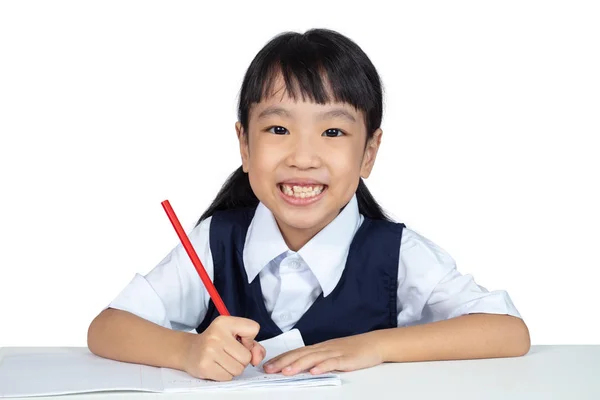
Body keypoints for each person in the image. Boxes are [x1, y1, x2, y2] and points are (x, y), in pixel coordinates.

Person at [87, 28, 530, 382]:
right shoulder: (215, 242)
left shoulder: (396, 255)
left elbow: (508, 332)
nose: (302, 156)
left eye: (333, 132)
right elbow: (106, 329)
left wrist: (375, 346)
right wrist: (187, 350)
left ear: (369, 153)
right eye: (277, 129)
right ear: (244, 145)